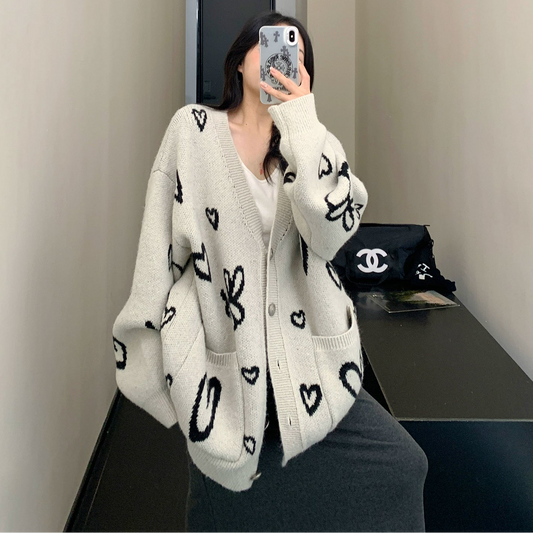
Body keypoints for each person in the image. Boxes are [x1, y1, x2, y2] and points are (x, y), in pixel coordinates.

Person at [112, 10, 428, 533]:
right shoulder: (193, 131)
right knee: (225, 501)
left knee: (402, 466)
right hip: (224, 367)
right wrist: (151, 368)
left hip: (309, 358)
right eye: (273, 44)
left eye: (297, 55)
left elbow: (330, 236)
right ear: (239, 62)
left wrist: (301, 121)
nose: (285, 58)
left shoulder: (313, 145)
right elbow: (158, 250)